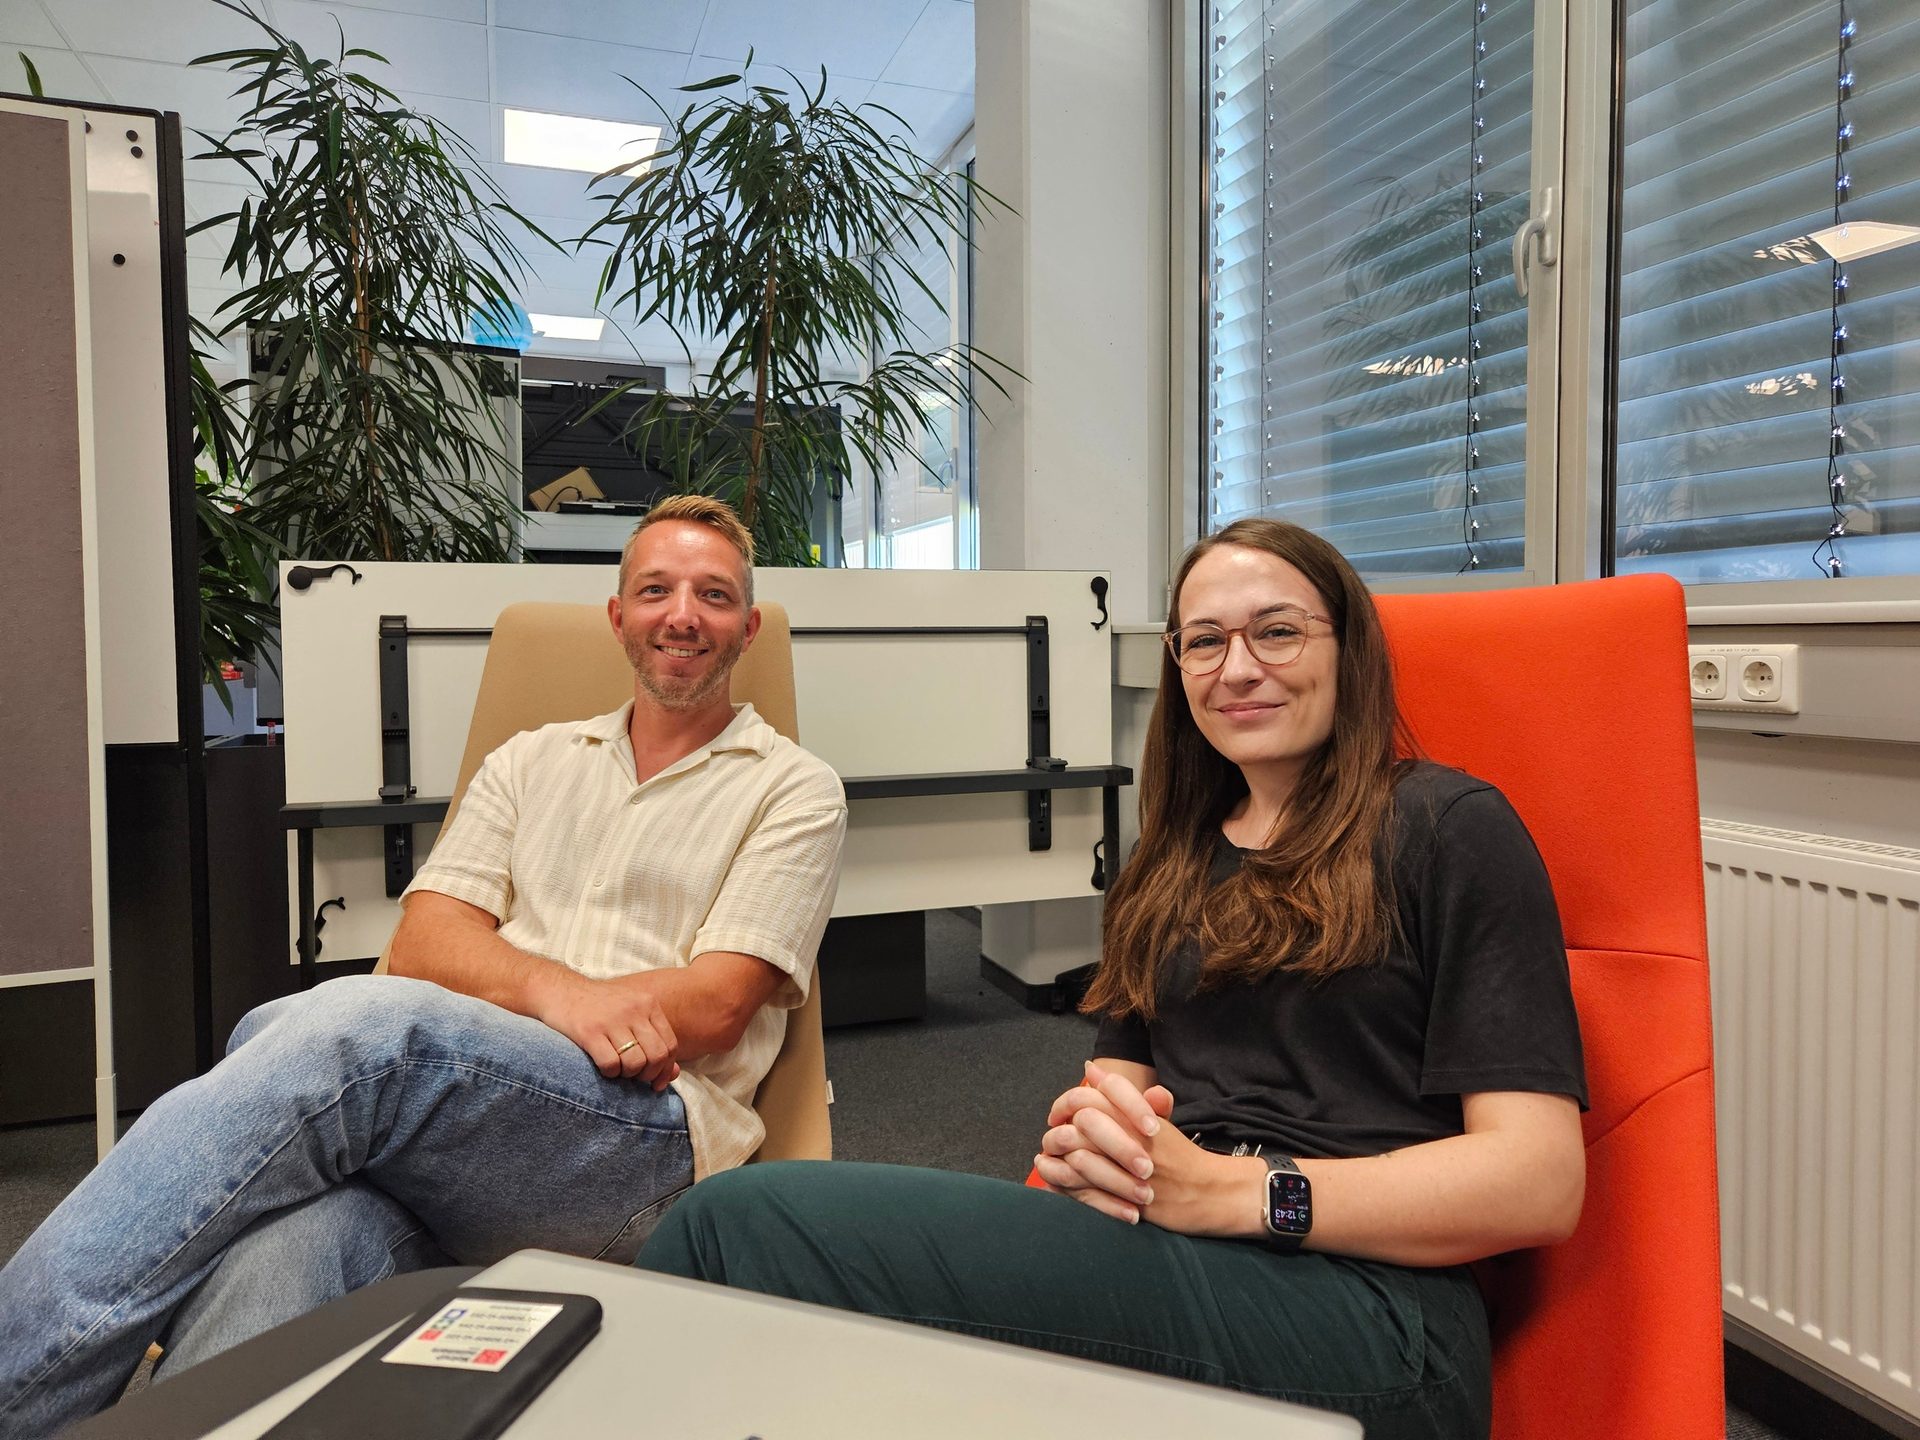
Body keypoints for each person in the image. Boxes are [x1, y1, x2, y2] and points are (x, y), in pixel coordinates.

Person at [637, 519, 1587, 1440]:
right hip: (1171, 1249)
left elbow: (1538, 1181)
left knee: (738, 1225)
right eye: (1204, 642)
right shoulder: (1172, 862)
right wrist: (1093, 1148)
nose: (1238, 667)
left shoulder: (1445, 826)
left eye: (1278, 631)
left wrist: (1241, 1192)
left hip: (1372, 1317)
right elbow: (1112, 1101)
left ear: (1350, 651)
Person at [0, 496, 847, 1439]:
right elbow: (425, 944)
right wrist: (558, 995)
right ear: (619, 617)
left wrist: (498, 996)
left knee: (347, 1033)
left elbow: (714, 1005)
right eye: (656, 590)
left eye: (713, 596)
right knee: (285, 1250)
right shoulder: (530, 761)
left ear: (748, 628)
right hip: (463, 1134)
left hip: (643, 1144)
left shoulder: (793, 788)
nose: (682, 614)